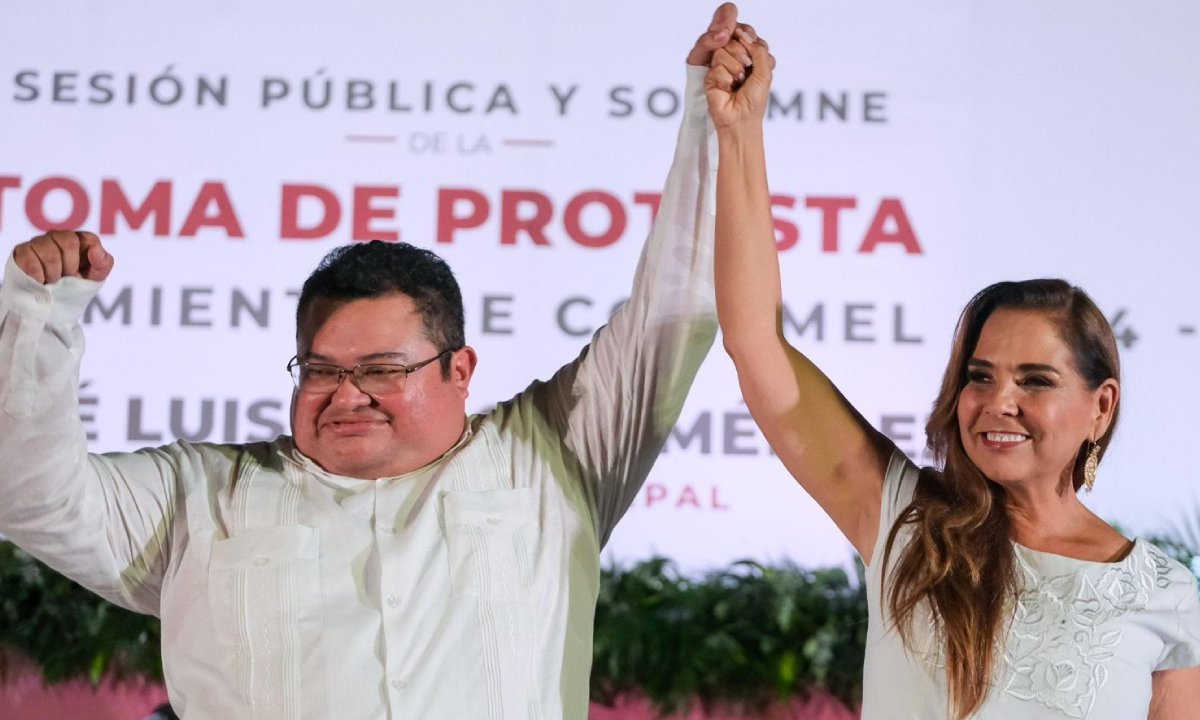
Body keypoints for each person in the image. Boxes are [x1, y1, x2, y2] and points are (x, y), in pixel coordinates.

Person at [0, 6, 755, 719]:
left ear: (459, 371)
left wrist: (709, 124)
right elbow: (27, 492)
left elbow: (674, 311)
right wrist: (39, 315)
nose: (345, 394)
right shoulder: (199, 498)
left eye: (383, 369)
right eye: (320, 369)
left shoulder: (554, 455)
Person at [706, 27, 1200, 720]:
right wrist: (739, 133)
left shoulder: (1166, 595)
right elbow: (755, 340)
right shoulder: (904, 523)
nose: (999, 402)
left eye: (1035, 380)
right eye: (979, 375)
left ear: (1101, 405)